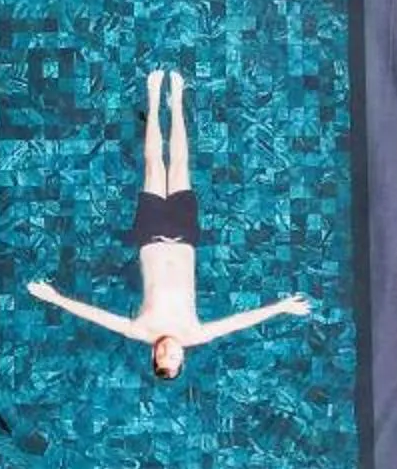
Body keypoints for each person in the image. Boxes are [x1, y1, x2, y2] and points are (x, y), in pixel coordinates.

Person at [27, 71, 313, 379]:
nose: (168, 350)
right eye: (174, 357)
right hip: (185, 236)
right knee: (179, 165)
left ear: (153, 354)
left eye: (162, 356)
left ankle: (153, 100)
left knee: (154, 165)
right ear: (183, 358)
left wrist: (55, 298)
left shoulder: (141, 330)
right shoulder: (195, 333)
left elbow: (97, 316)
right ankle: (176, 101)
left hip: (149, 234)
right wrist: (280, 307)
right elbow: (239, 322)